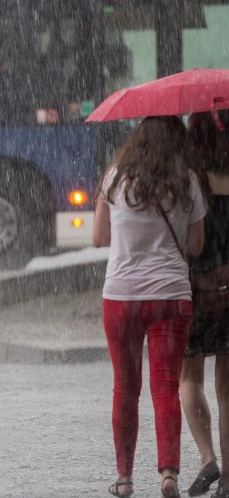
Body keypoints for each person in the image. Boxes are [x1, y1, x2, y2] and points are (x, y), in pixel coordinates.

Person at [93, 115, 207, 498]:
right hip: (171, 296)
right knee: (165, 386)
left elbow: (99, 238)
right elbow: (195, 247)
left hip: (121, 296)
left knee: (125, 388)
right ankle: (169, 475)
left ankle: (124, 479)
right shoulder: (188, 180)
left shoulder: (113, 178)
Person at [181, 109, 229, 498]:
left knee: (189, 377)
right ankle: (228, 477)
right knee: (227, 387)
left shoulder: (189, 179)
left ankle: (207, 457)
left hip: (197, 288)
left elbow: (189, 241)